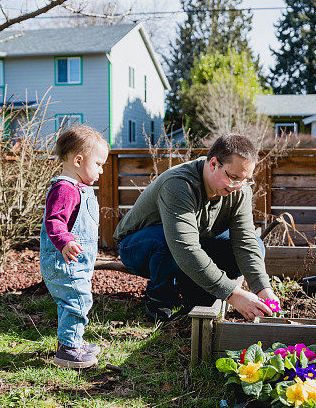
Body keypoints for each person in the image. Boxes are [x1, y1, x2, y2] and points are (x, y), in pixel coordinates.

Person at [114, 134, 279, 322]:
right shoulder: (178, 184)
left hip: (192, 242)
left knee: (257, 245)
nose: (239, 186)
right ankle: (159, 298)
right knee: (169, 242)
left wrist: (262, 288)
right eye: (234, 177)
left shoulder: (239, 190)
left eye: (246, 179)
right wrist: (233, 294)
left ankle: (193, 288)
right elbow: (184, 247)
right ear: (213, 164)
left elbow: (245, 241)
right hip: (138, 247)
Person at [39, 125, 109, 369]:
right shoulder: (65, 189)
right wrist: (65, 240)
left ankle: (73, 341)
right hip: (64, 262)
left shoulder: (79, 188)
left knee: (73, 301)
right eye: (99, 164)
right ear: (79, 160)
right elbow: (55, 220)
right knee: (77, 301)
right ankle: (68, 349)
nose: (102, 170)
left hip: (75, 262)